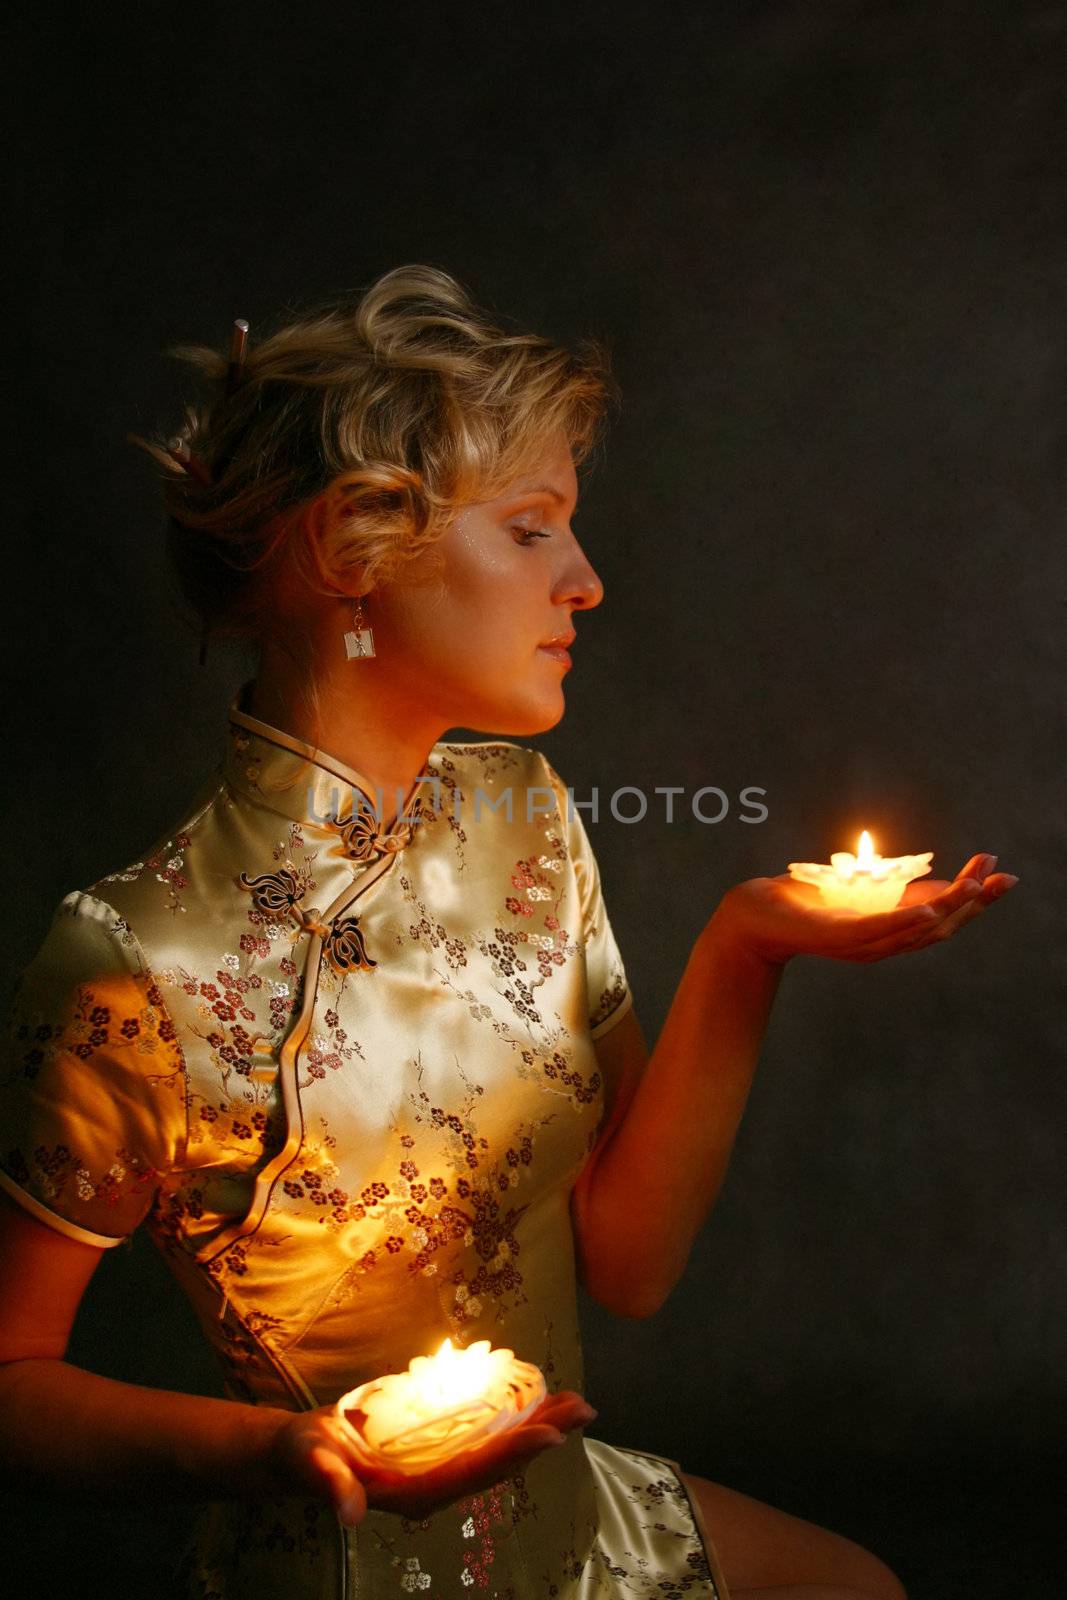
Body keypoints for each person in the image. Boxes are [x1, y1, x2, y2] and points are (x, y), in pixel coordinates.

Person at [0, 264, 1016, 1600]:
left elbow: (631, 1265)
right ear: (352, 549)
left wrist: (745, 951)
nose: (584, 581)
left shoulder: (522, 815)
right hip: (342, 1564)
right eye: (532, 528)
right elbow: (13, 1387)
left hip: (576, 1517)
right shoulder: (137, 956)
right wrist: (295, 1452)